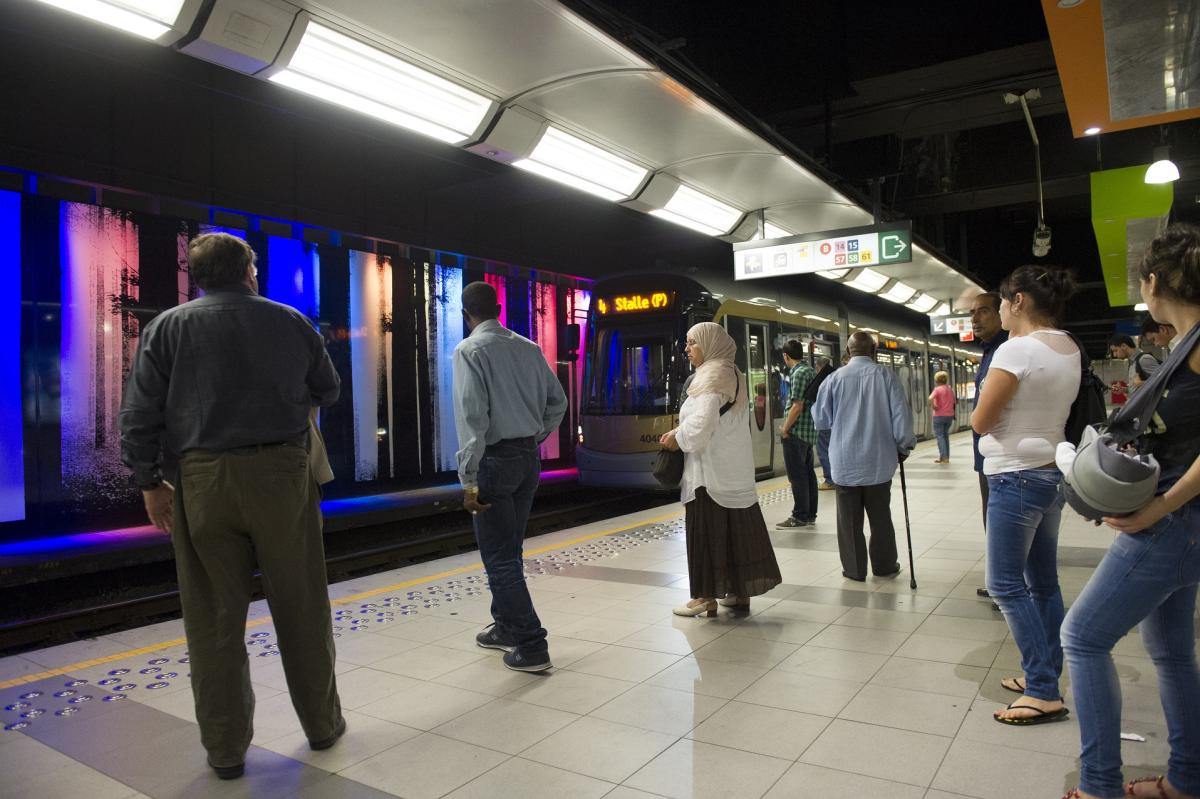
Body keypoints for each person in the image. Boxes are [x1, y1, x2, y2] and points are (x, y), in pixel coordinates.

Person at [118, 233, 344, 780]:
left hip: (202, 479)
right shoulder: (290, 321)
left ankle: (225, 751)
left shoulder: (166, 328)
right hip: (281, 475)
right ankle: (320, 726)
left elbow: (139, 414)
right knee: (301, 604)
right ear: (249, 270)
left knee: (214, 619)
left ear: (197, 277)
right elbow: (329, 388)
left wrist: (150, 482)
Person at [1060, 223, 1200, 799]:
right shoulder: (1183, 344)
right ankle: (1187, 780)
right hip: (1177, 522)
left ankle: (1099, 787)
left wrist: (1160, 506)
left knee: (1083, 636)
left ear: (1155, 281)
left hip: (1175, 525)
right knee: (1169, 651)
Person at [972, 264, 1079, 725]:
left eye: (1001, 300)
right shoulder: (1069, 346)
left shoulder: (1015, 350)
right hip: (1050, 472)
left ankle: (1042, 688)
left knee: (1004, 584)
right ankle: (1045, 672)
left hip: (1014, 475)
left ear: (1017, 301)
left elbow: (981, 420)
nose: (997, 309)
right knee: (1042, 582)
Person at [453, 281, 567, 673]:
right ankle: (504, 626)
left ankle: (532, 645)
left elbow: (472, 419)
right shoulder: (529, 348)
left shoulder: (470, 350)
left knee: (499, 559)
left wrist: (468, 479)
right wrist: (534, 436)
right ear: (499, 307)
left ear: (465, 312)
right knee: (510, 550)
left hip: (495, 461)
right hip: (527, 458)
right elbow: (559, 402)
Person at [661, 322, 781, 615]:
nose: (687, 349)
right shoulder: (732, 372)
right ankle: (739, 593)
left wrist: (677, 437)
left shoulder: (711, 376)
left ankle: (704, 597)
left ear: (709, 343)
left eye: (692, 343)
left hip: (709, 473)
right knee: (734, 532)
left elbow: (702, 423)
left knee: (705, 532)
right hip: (734, 470)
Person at [812, 331, 915, 582]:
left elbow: (821, 420)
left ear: (848, 352)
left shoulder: (833, 379)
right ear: (873, 351)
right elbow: (901, 418)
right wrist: (904, 446)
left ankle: (855, 570)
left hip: (844, 462)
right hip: (879, 462)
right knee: (881, 518)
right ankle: (885, 566)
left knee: (848, 522)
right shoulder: (886, 377)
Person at [970, 291, 1009, 603]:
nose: (975, 318)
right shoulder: (990, 351)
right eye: (973, 312)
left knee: (1001, 523)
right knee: (993, 521)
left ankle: (1006, 588)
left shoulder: (1005, 352)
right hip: (990, 457)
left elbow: (986, 415)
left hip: (1002, 457)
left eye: (983, 311)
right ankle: (1000, 582)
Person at [777, 340, 818, 528]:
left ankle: (800, 515)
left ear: (786, 356)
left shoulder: (798, 373)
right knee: (808, 473)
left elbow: (797, 405)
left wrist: (785, 429)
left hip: (796, 432)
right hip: (808, 431)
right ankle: (809, 514)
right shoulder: (809, 370)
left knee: (797, 476)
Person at [807, 356, 836, 489]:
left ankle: (830, 480)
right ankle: (835, 478)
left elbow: (819, 402)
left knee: (823, 450)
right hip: (834, 422)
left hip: (825, 423)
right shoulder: (835, 376)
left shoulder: (824, 379)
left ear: (818, 367)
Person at [928, 370, 955, 463]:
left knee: (940, 436)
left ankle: (944, 457)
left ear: (936, 380)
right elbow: (954, 401)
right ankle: (945, 456)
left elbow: (930, 398)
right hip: (949, 416)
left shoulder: (937, 389)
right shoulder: (949, 389)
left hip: (939, 415)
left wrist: (934, 405)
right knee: (945, 436)